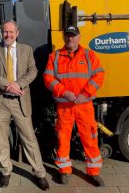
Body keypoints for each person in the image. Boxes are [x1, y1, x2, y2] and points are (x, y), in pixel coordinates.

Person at [0, 20, 50, 191]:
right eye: (5, 32)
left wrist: (18, 84)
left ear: (17, 33)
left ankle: (39, 173)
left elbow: (33, 71)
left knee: (29, 138)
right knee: (1, 138)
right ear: (1, 32)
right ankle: (5, 171)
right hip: (0, 100)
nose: (8, 35)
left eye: (11, 32)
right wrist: (8, 85)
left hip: (20, 101)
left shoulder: (26, 50)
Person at [43, 25, 105, 186]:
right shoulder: (54, 57)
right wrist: (64, 92)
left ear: (79, 37)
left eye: (74, 35)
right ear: (64, 37)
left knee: (90, 138)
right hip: (64, 107)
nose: (71, 38)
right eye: (68, 35)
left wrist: (85, 94)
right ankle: (64, 170)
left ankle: (94, 172)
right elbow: (48, 78)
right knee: (63, 139)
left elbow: (99, 75)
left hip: (84, 105)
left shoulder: (89, 55)